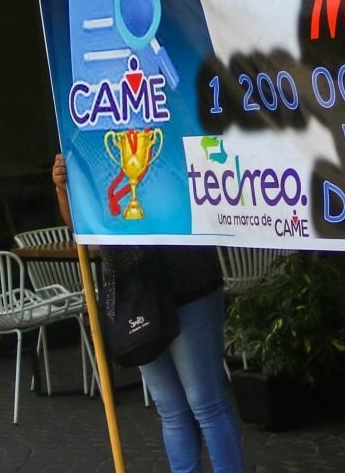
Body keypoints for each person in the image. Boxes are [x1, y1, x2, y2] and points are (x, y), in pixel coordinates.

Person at [52, 154, 244, 473]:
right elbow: (82, 226)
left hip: (186, 279)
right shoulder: (88, 140)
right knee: (172, 407)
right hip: (133, 292)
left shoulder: (166, 121)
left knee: (204, 402)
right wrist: (63, 187)